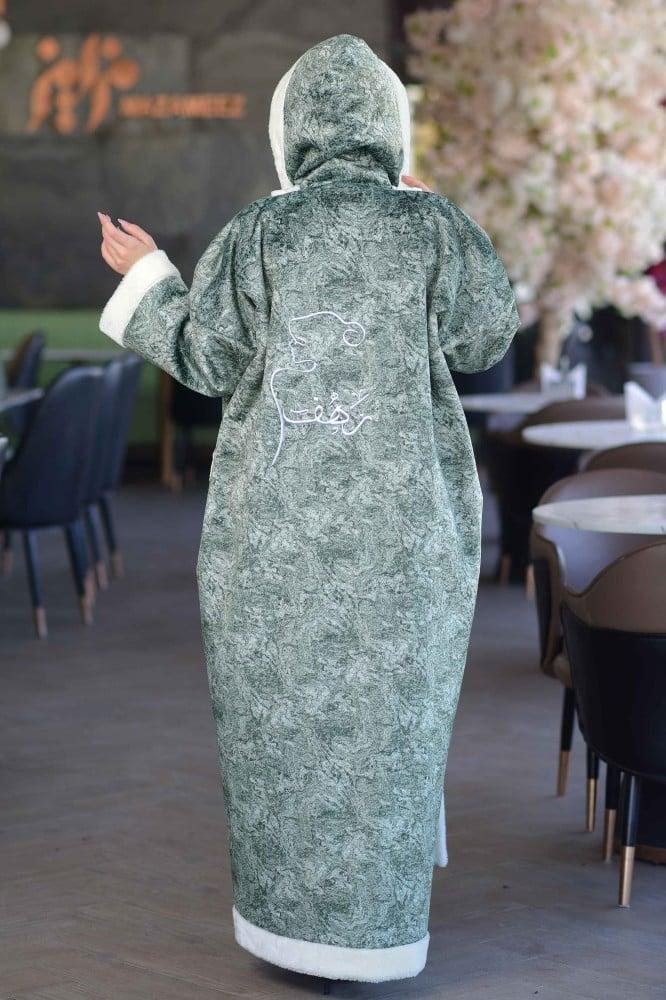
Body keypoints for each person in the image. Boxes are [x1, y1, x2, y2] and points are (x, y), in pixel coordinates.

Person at [98, 34, 519, 983]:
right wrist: (439, 219)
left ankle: (291, 929)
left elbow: (205, 359)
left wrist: (149, 273)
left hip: (272, 544)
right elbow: (487, 338)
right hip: (408, 541)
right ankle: (381, 927)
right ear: (389, 127)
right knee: (391, 732)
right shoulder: (432, 228)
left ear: (290, 130)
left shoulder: (260, 232)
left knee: (283, 736)